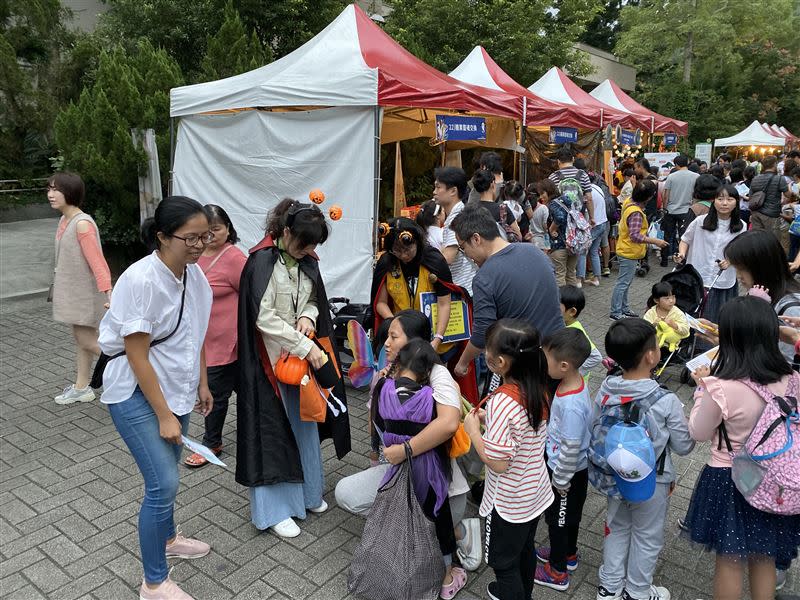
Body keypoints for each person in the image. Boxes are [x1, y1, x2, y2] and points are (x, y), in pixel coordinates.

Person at [98, 196, 214, 600]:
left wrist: (202, 382)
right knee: (163, 482)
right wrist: (164, 414)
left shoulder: (192, 276)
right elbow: (135, 353)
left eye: (206, 236)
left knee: (169, 471)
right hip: (134, 391)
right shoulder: (141, 279)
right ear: (163, 237)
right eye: (191, 238)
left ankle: (166, 538)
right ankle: (153, 583)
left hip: (176, 389)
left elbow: (194, 332)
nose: (200, 245)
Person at [334, 310, 479, 591]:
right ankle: (406, 530)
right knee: (346, 493)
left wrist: (405, 450)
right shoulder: (385, 376)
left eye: (393, 336)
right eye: (387, 336)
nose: (386, 342)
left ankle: (460, 533)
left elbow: (449, 424)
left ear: (414, 344)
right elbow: (374, 420)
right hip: (398, 468)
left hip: (434, 477)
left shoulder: (437, 375)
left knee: (434, 517)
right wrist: (376, 456)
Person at [236, 199, 350, 539]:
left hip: (299, 362)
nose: (309, 250)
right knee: (272, 432)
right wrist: (307, 347)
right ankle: (274, 511)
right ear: (285, 232)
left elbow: (314, 297)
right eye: (304, 243)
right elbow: (262, 318)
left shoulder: (306, 259)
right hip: (268, 364)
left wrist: (308, 315)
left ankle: (307, 494)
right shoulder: (260, 263)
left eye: (314, 245)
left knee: (304, 424)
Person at [685, 296, 800, 600]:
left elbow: (697, 431)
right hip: (774, 480)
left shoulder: (721, 386)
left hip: (729, 478)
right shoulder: (792, 378)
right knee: (764, 554)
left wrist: (702, 388)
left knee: (730, 558)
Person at [588, 319, 695, 600]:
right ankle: (637, 592)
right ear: (651, 356)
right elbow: (684, 446)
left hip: (614, 476)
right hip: (652, 481)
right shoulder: (666, 400)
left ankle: (609, 588)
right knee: (647, 537)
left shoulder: (606, 388)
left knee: (616, 527)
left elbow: (593, 425)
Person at [462, 319, 554, 600]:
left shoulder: (503, 401)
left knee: (502, 564)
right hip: (534, 490)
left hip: (508, 501)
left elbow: (498, 462)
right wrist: (490, 420)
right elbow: (523, 430)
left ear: (500, 362)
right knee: (524, 550)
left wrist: (473, 432)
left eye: (486, 349)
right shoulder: (537, 386)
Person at [371, 338, 468, 598]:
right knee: (437, 519)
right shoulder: (429, 397)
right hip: (429, 473)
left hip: (395, 468)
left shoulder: (382, 389)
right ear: (427, 373)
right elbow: (444, 431)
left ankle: (401, 570)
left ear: (399, 363)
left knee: (402, 518)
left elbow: (379, 424)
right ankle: (447, 579)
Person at [450, 205, 564, 379]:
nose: (466, 254)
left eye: (462, 247)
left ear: (476, 239)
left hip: (524, 365)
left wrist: (462, 363)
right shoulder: (534, 251)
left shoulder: (484, 277)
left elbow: (482, 333)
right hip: (558, 354)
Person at [183, 205, 247, 468]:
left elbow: (252, 296)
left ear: (228, 229)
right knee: (223, 391)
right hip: (202, 339)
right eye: (205, 231)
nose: (210, 235)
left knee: (216, 393)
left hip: (227, 342)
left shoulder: (233, 258)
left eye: (216, 229)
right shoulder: (194, 254)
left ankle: (212, 444)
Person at [534, 327, 592, 592]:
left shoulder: (571, 405)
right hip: (570, 471)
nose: (544, 364)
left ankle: (557, 571)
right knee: (569, 517)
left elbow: (571, 446)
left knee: (557, 520)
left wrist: (560, 479)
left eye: (547, 360)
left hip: (566, 474)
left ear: (564, 365)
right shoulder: (573, 383)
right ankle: (568, 554)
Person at [49, 172, 112, 405]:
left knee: (87, 341)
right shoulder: (65, 219)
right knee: (82, 341)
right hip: (75, 293)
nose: (51, 194)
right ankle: (82, 386)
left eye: (57, 190)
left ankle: (135, 372)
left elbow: (98, 262)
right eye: (49, 189)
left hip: (84, 296)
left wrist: (109, 293)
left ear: (71, 192)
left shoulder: (82, 223)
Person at [371, 217, 453, 355]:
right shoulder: (387, 262)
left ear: (417, 241)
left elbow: (444, 303)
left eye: (407, 249)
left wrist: (438, 338)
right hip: (400, 334)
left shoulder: (435, 261)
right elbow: (381, 303)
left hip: (432, 331)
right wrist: (395, 327)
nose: (403, 255)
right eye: (397, 250)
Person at [723, 230, 800, 363]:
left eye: (743, 269)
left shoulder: (791, 309)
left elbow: (788, 366)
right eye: (736, 269)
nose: (739, 276)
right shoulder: (759, 293)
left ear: (762, 267)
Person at [676, 183, 745, 326]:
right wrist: (681, 254)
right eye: (720, 199)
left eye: (729, 199)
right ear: (714, 201)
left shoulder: (741, 226)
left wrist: (730, 261)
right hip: (697, 276)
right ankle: (690, 346)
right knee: (692, 316)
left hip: (723, 280)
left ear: (736, 202)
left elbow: (743, 251)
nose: (724, 203)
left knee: (716, 318)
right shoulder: (700, 221)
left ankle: (711, 346)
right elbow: (685, 240)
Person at [610, 180, 669, 320]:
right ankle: (615, 312)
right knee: (623, 283)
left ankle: (623, 308)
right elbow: (635, 235)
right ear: (648, 197)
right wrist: (655, 241)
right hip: (628, 251)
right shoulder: (636, 212)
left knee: (625, 282)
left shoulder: (629, 202)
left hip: (627, 249)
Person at [434, 167, 479, 297]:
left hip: (465, 287)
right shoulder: (456, 214)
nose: (434, 192)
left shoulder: (456, 218)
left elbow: (448, 257)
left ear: (453, 191)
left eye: (438, 187)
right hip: (465, 285)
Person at [660, 154, 699, 266]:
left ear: (676, 164)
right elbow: (696, 195)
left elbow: (666, 195)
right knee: (685, 236)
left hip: (671, 211)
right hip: (687, 211)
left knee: (668, 235)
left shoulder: (671, 176)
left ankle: (664, 260)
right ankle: (683, 260)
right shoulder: (696, 176)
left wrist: (665, 208)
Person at [538, 178, 577, 287]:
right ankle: (573, 303)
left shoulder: (553, 204)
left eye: (542, 193)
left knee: (559, 276)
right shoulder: (566, 200)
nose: (541, 197)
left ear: (549, 191)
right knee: (571, 274)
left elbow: (560, 218)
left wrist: (551, 229)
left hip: (559, 245)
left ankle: (562, 303)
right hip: (573, 243)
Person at [559, 285, 602, 380]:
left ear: (572, 311)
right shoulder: (564, 325)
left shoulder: (575, 332)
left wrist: (572, 373)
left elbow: (596, 357)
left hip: (574, 386)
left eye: (557, 308)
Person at [470, 169, 521, 241]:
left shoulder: (471, 210)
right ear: (492, 184)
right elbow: (518, 236)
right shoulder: (503, 210)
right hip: (501, 251)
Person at [548, 145, 595, 224]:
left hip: (559, 221)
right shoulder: (583, 175)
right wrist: (592, 218)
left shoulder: (553, 177)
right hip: (578, 219)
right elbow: (589, 198)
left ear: (558, 161)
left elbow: (549, 200)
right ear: (573, 159)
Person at [578, 173, 610, 287]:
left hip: (594, 224)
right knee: (594, 252)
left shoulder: (587, 193)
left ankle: (579, 280)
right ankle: (596, 278)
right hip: (603, 223)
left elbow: (584, 209)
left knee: (582, 251)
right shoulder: (598, 188)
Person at [749, 155, 790, 237]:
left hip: (756, 212)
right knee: (772, 240)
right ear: (774, 164)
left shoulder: (755, 178)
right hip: (771, 214)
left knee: (757, 238)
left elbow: (751, 196)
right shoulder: (779, 179)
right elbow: (788, 195)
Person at [642, 282, 690, 352]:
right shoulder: (651, 313)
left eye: (673, 297)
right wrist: (653, 325)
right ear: (656, 300)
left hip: (670, 345)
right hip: (653, 345)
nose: (671, 301)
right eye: (667, 298)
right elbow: (644, 330)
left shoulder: (677, 313)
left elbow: (686, 331)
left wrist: (675, 325)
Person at [526, 183, 551, 251]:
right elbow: (546, 226)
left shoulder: (525, 208)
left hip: (528, 241)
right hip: (541, 242)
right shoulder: (543, 208)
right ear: (538, 195)